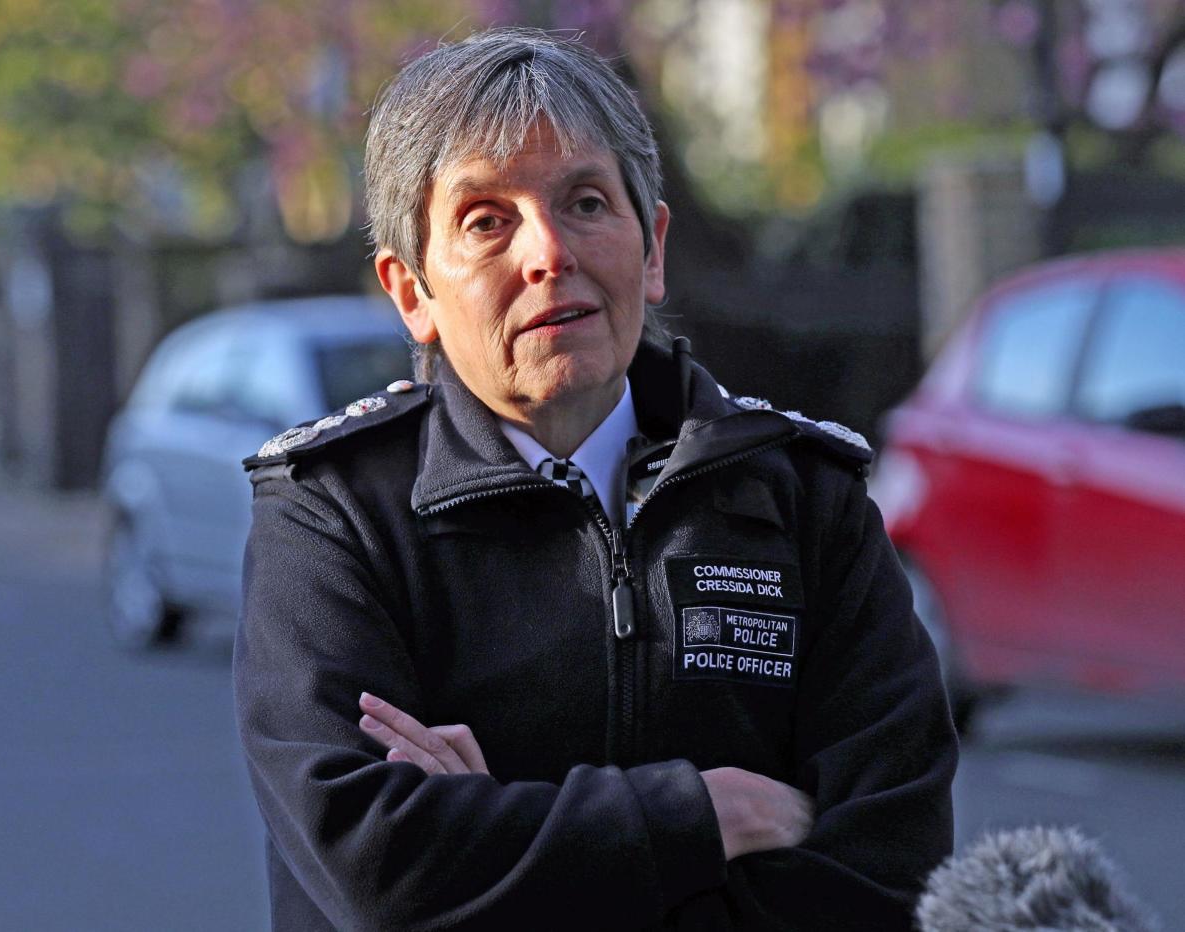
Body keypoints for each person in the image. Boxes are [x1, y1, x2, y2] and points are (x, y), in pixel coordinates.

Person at [234, 27, 958, 931]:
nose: (548, 253)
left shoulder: (808, 502)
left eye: (584, 201)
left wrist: (502, 838)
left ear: (651, 249)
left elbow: (889, 876)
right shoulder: (335, 512)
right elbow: (378, 868)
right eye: (486, 220)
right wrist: (699, 819)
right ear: (410, 291)